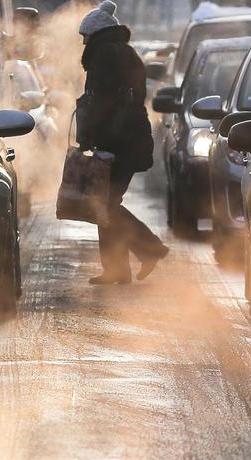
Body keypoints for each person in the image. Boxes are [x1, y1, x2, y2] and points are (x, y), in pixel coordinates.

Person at [76, 1, 169, 284]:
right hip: (128, 139)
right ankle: (117, 268)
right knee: (106, 203)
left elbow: (101, 102)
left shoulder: (105, 56)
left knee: (105, 204)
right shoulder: (125, 53)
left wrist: (87, 136)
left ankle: (149, 248)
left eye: (85, 38)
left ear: (96, 35)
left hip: (117, 141)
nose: (83, 43)